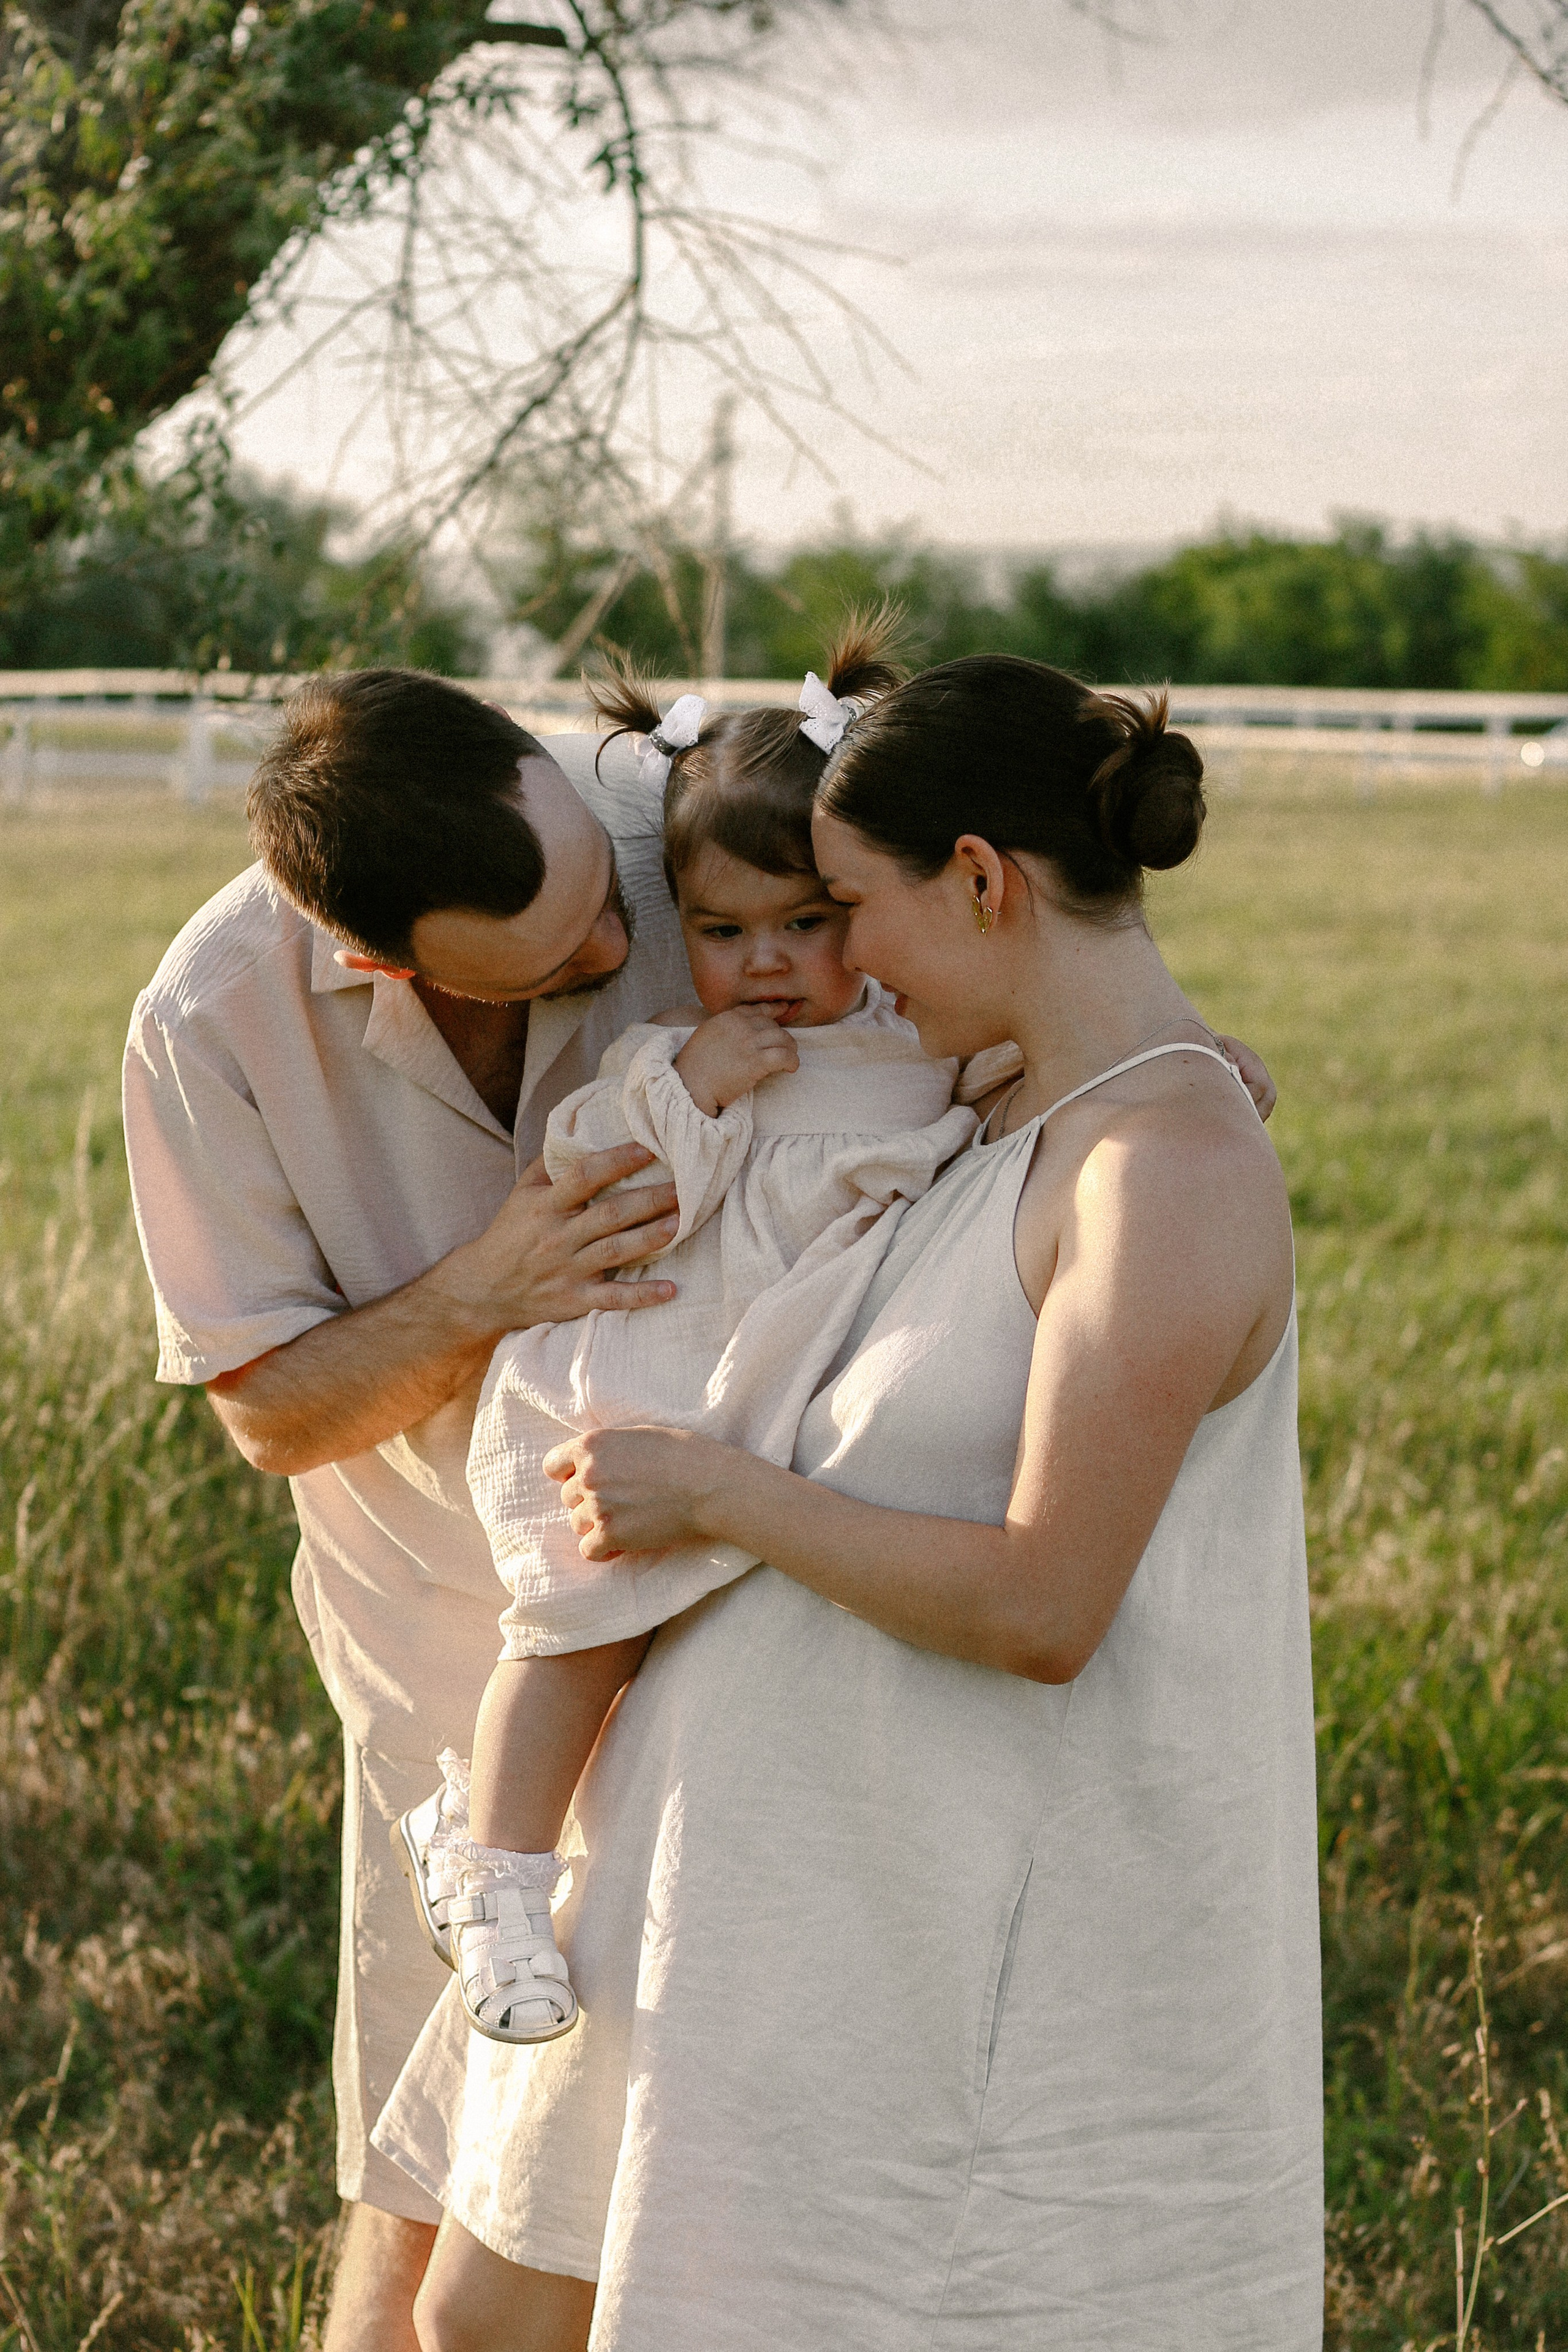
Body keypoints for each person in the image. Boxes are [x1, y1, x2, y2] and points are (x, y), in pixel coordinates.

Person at [375, 658, 1321, 2351]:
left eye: (857, 904)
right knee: (477, 2321)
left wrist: (720, 1494)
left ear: (980, 879)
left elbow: (1044, 1606)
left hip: (890, 1933)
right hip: (710, 1878)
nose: (847, 964)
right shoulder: (1008, 1102)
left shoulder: (1159, 1170)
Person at [121, 671, 696, 2352]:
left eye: (607, 904)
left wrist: (1133, 1054)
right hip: (444, 1641)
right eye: (557, 959)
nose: (613, 950)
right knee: (433, 2148)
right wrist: (482, 1293)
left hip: (742, 1591)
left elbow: (974, 905)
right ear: (386, 963)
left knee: (698, 2113)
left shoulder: (664, 816)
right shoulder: (210, 1021)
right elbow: (271, 1416)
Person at [394, 630, 978, 2048]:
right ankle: (494, 1875)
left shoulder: (924, 1045)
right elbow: (603, 1191)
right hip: (639, 1389)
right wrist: (694, 1096)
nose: (763, 965)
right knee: (579, 1637)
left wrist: (1200, 1055)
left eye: (801, 924)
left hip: (783, 1412)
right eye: (722, 934)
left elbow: (1054, 1082)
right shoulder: (663, 1057)